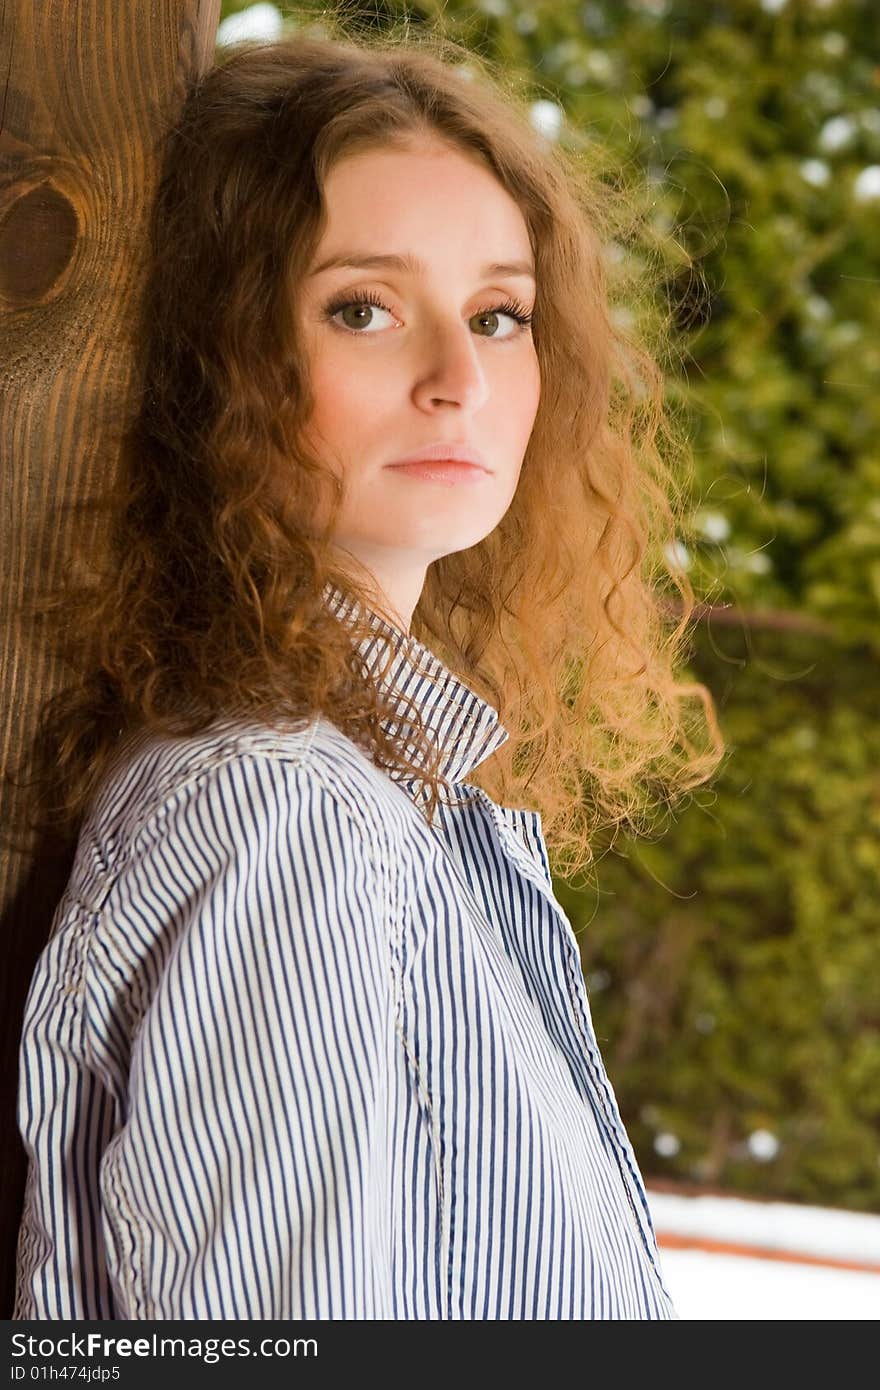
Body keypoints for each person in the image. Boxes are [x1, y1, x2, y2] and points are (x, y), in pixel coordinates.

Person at [10, 25, 724, 1320]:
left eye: (500, 314)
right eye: (364, 308)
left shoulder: (402, 808)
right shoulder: (290, 817)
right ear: (212, 361)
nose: (460, 379)